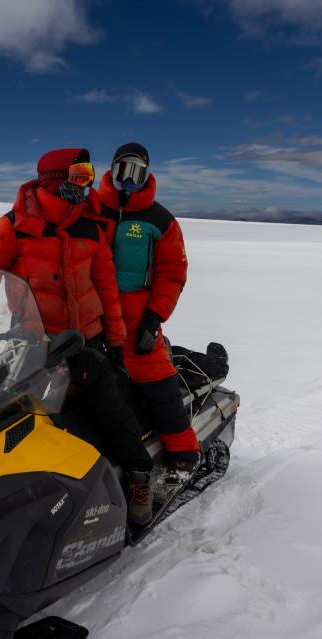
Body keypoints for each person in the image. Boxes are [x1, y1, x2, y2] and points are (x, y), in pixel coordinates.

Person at [0, 147, 155, 524]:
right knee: (8, 417)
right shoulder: (14, 226)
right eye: (78, 176)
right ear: (52, 180)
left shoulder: (90, 226)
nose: (85, 185)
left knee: (111, 410)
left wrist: (115, 340)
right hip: (32, 342)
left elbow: (106, 289)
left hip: (86, 341)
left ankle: (139, 474)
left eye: (88, 176)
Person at [94, 143, 201, 476]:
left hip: (136, 319)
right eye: (123, 171)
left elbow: (172, 273)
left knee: (156, 379)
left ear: (147, 176)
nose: (129, 180)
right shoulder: (90, 209)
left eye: (137, 173)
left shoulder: (160, 220)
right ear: (111, 170)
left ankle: (182, 449)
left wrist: (153, 318)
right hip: (92, 315)